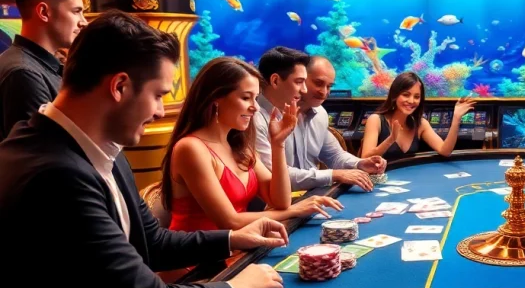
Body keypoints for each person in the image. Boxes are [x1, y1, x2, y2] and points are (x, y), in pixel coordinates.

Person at [0, 10, 288, 288]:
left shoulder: (99, 149)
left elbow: (151, 242)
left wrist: (233, 241)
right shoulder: (55, 173)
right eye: (157, 94)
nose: (160, 111)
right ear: (118, 87)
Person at [163, 57, 342, 232]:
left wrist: (278, 143)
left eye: (256, 98)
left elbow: (280, 201)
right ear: (215, 98)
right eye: (246, 98)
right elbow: (229, 221)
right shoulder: (191, 148)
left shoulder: (239, 145)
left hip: (239, 248)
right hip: (200, 257)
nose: (255, 107)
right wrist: (295, 210)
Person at [0, 0, 86, 139]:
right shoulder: (24, 73)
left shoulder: (34, 66)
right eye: (76, 11)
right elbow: (42, 154)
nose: (84, 21)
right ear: (44, 13)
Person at [288, 55, 387, 191]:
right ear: (300, 80)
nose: (324, 92)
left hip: (311, 195)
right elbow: (274, 176)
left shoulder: (320, 113)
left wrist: (360, 164)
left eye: (329, 86)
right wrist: (334, 175)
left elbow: (335, 156)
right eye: (318, 83)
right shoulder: (270, 117)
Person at [361, 71, 476, 160]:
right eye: (406, 95)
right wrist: (391, 140)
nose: (411, 101)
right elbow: (365, 159)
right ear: (395, 95)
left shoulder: (420, 124)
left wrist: (456, 118)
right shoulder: (375, 120)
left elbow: (444, 150)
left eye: (417, 97)